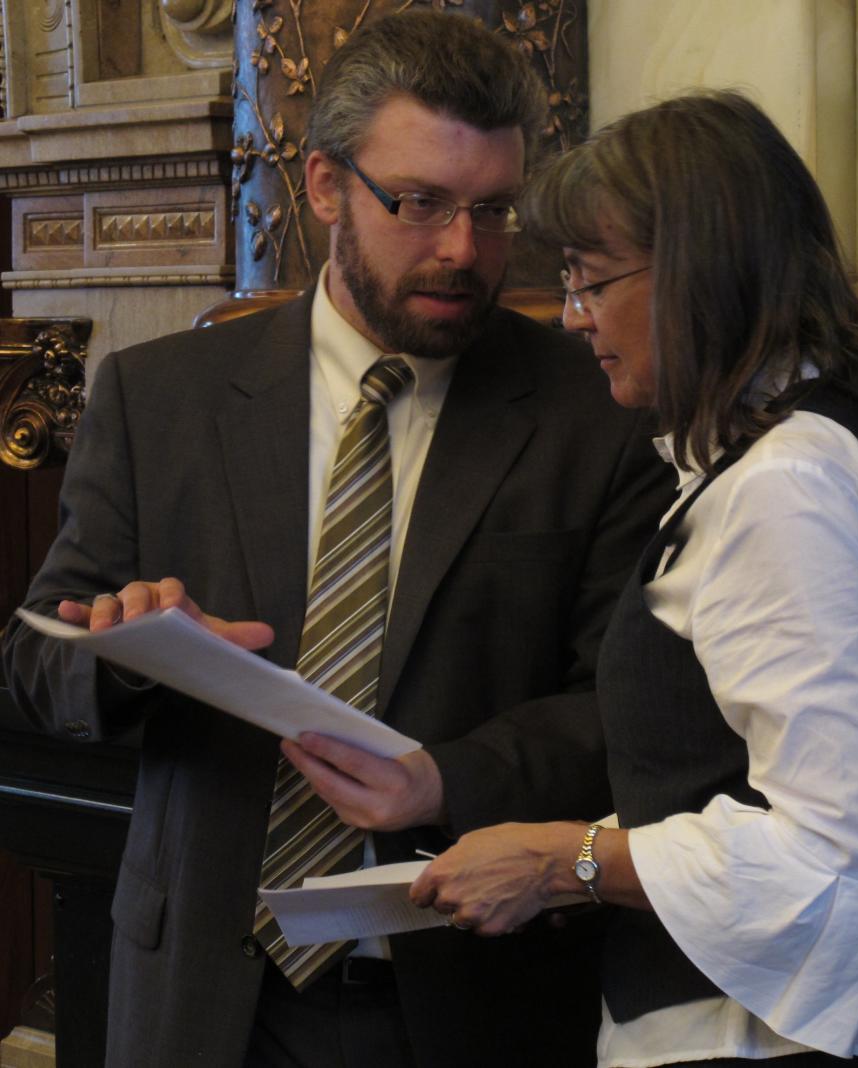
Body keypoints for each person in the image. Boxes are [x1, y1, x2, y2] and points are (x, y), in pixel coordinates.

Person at [0, 12, 674, 1068]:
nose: (462, 249)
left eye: (493, 211)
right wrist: (130, 651)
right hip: (205, 997)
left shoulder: (592, 413)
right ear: (322, 186)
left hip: (474, 998)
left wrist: (445, 779)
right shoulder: (159, 399)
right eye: (418, 204)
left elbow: (624, 711)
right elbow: (36, 665)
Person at [410, 90, 858, 1066]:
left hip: (765, 1038)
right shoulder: (846, 439)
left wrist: (561, 861)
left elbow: (824, 850)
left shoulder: (784, 482)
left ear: (699, 274)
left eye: (589, 278)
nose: (574, 317)